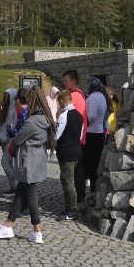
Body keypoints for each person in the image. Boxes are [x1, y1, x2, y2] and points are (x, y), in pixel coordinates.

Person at [0, 86, 56, 244]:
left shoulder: (32, 122)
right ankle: (8, 226)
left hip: (28, 161)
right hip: (37, 159)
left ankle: (37, 230)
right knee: (20, 193)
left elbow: (18, 139)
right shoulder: (45, 119)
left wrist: (16, 133)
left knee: (31, 196)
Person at [55, 90, 82, 221]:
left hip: (66, 152)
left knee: (68, 182)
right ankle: (68, 207)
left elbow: (56, 135)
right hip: (77, 151)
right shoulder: (79, 115)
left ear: (61, 101)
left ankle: (72, 210)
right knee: (65, 179)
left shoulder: (64, 116)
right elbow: (80, 135)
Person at [85, 78, 113, 194]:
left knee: (90, 162)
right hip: (100, 132)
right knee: (97, 160)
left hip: (91, 132)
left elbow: (91, 116)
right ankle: (97, 187)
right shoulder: (103, 96)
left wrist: (86, 120)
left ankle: (92, 188)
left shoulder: (92, 97)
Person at [63, 69, 87, 203]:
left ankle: (75, 200)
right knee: (78, 171)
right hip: (80, 138)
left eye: (66, 81)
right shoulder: (80, 95)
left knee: (74, 173)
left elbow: (70, 119)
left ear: (73, 81)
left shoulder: (74, 96)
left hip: (75, 139)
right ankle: (79, 197)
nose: (64, 83)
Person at [0, 89, 18, 194]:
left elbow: (11, 126)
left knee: (4, 162)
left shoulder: (13, 110)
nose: (5, 98)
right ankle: (13, 187)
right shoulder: (5, 108)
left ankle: (15, 186)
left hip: (10, 139)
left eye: (7, 96)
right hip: (3, 138)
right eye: (5, 96)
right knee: (9, 163)